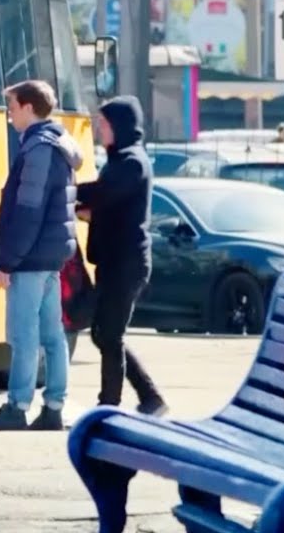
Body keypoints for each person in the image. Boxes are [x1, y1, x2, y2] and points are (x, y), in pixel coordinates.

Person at [0, 80, 83, 432]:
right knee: (53, 336)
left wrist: (7, 261)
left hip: (30, 259)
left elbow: (27, 211)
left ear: (29, 108)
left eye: (13, 106)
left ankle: (17, 406)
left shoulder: (37, 149)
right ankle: (53, 407)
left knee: (23, 337)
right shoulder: (59, 144)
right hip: (51, 257)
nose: (9, 114)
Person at [76, 96, 167, 417]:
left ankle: (111, 405)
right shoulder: (119, 161)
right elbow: (108, 205)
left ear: (120, 125)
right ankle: (149, 398)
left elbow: (103, 194)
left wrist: (66, 192)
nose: (100, 130)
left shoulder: (132, 161)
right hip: (113, 261)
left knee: (109, 334)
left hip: (127, 265)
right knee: (104, 333)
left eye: (104, 124)